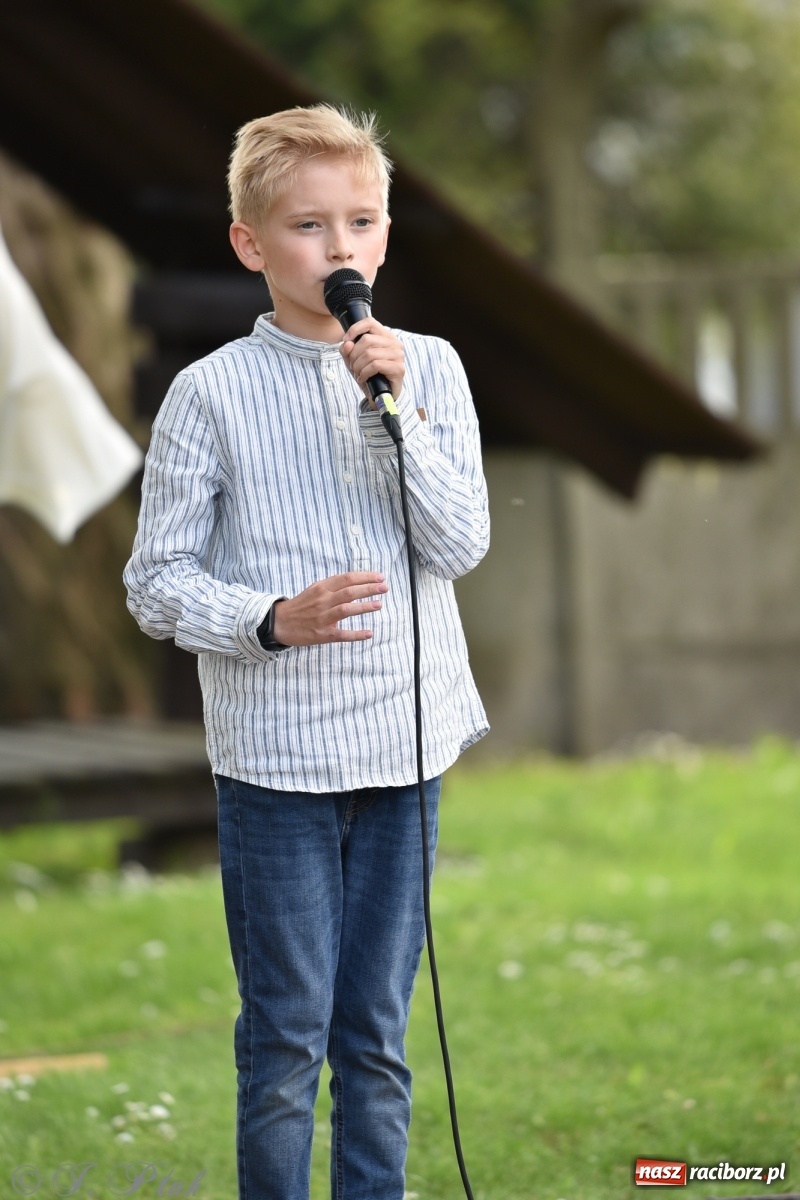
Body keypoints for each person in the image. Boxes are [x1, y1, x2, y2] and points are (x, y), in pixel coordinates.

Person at [123, 103, 489, 1200]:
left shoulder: (425, 368)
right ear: (248, 243)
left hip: (403, 749)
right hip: (275, 761)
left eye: (360, 222)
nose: (338, 250)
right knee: (285, 1035)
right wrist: (271, 618)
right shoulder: (209, 395)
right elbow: (154, 585)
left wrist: (399, 413)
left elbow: (459, 540)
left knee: (374, 1034)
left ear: (382, 238)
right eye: (306, 226)